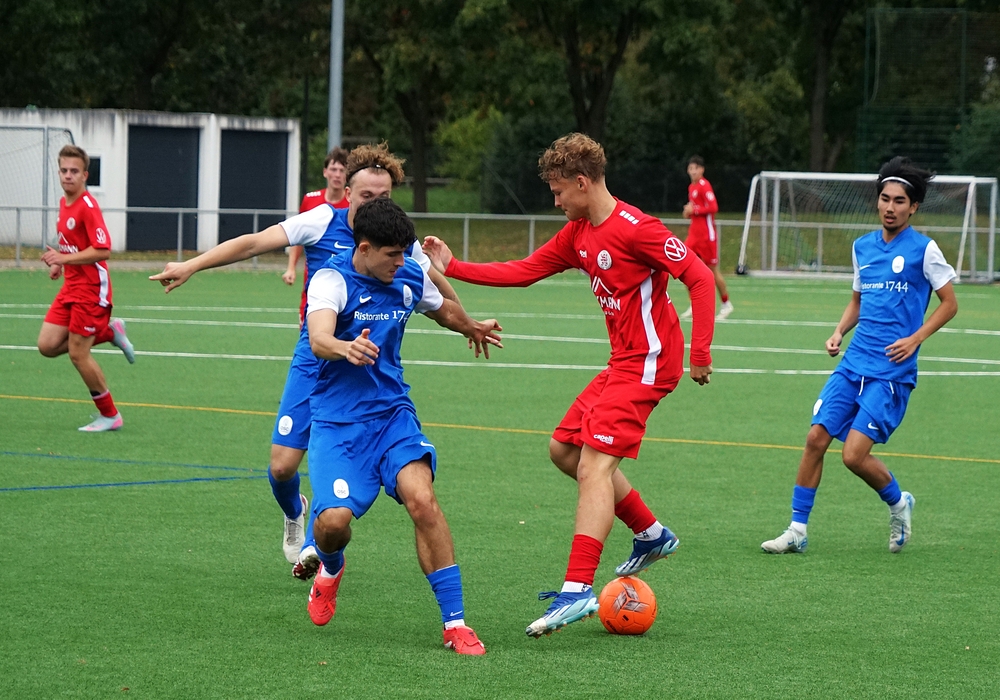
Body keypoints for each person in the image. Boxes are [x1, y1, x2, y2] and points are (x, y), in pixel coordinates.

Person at [421, 133, 717, 638]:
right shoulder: (578, 233)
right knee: (564, 449)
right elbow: (525, 270)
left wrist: (701, 352)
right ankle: (650, 533)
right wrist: (453, 268)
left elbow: (700, 278)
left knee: (594, 466)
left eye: (558, 191)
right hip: (622, 362)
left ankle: (577, 589)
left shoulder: (638, 229)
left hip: (651, 362)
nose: (555, 201)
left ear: (582, 183)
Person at [149, 143, 462, 574]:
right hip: (316, 356)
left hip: (364, 368)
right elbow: (254, 242)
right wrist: (192, 265)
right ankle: (295, 510)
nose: (376, 202)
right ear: (347, 193)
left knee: (360, 466)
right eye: (367, 196)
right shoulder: (322, 221)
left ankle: (323, 542)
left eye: (385, 196)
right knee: (281, 468)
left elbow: (436, 290)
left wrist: (466, 317)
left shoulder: (396, 240)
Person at [304, 196, 501, 654]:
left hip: (393, 415)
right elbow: (318, 337)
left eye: (404, 253)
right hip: (338, 423)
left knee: (423, 500)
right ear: (365, 248)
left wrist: (470, 326)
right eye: (392, 254)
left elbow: (442, 308)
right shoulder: (332, 279)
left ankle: (455, 623)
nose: (401, 262)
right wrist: (345, 347)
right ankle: (331, 566)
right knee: (332, 524)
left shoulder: (407, 274)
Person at [760, 157, 958, 555]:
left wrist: (915, 339)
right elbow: (857, 301)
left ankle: (899, 503)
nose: (890, 207)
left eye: (899, 201)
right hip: (854, 363)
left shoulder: (924, 250)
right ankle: (797, 530)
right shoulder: (862, 247)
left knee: (853, 456)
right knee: (815, 438)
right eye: (885, 199)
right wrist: (838, 331)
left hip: (891, 371)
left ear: (913, 207)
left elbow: (949, 304)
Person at [37, 145, 135, 432]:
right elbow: (71, 241)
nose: (68, 175)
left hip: (92, 289)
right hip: (71, 285)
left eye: (74, 171)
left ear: (84, 175)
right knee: (47, 346)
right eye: (64, 170)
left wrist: (63, 259)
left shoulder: (88, 207)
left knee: (78, 354)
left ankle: (111, 415)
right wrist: (59, 263)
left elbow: (103, 250)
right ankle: (109, 332)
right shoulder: (64, 202)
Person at [284, 147, 351, 327]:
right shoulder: (310, 200)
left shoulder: (352, 203)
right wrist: (291, 268)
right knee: (308, 328)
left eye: (342, 170)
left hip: (346, 275)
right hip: (314, 276)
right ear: (325, 172)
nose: (337, 175)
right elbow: (298, 236)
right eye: (333, 169)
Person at [680, 155, 733, 321]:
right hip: (694, 235)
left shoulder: (704, 185)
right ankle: (694, 304)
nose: (693, 171)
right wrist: (689, 212)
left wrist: (694, 210)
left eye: (696, 168)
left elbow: (713, 207)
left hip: (706, 236)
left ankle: (726, 303)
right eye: (690, 168)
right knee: (684, 266)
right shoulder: (692, 187)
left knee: (712, 271)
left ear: (702, 170)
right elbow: (695, 209)